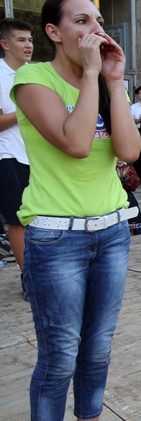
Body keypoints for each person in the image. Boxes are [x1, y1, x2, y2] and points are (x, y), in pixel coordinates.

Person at [12, 0, 141, 421]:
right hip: (55, 235)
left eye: (99, 22)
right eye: (81, 21)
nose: (96, 31)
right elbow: (76, 143)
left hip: (111, 232)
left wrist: (114, 81)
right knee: (60, 352)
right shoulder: (32, 80)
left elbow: (127, 151)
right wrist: (91, 76)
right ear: (54, 31)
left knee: (98, 345)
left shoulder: (106, 83)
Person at [0, 17, 32, 280]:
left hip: (36, 155)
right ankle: (27, 276)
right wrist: (27, 108)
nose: (28, 45)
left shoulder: (34, 74)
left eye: (30, 39)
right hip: (8, 154)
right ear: (5, 44)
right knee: (17, 219)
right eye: (21, 39)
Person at [116, 159, 141, 225]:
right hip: (114, 195)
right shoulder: (110, 169)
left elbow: (135, 184)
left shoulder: (130, 169)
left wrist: (126, 177)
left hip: (127, 194)